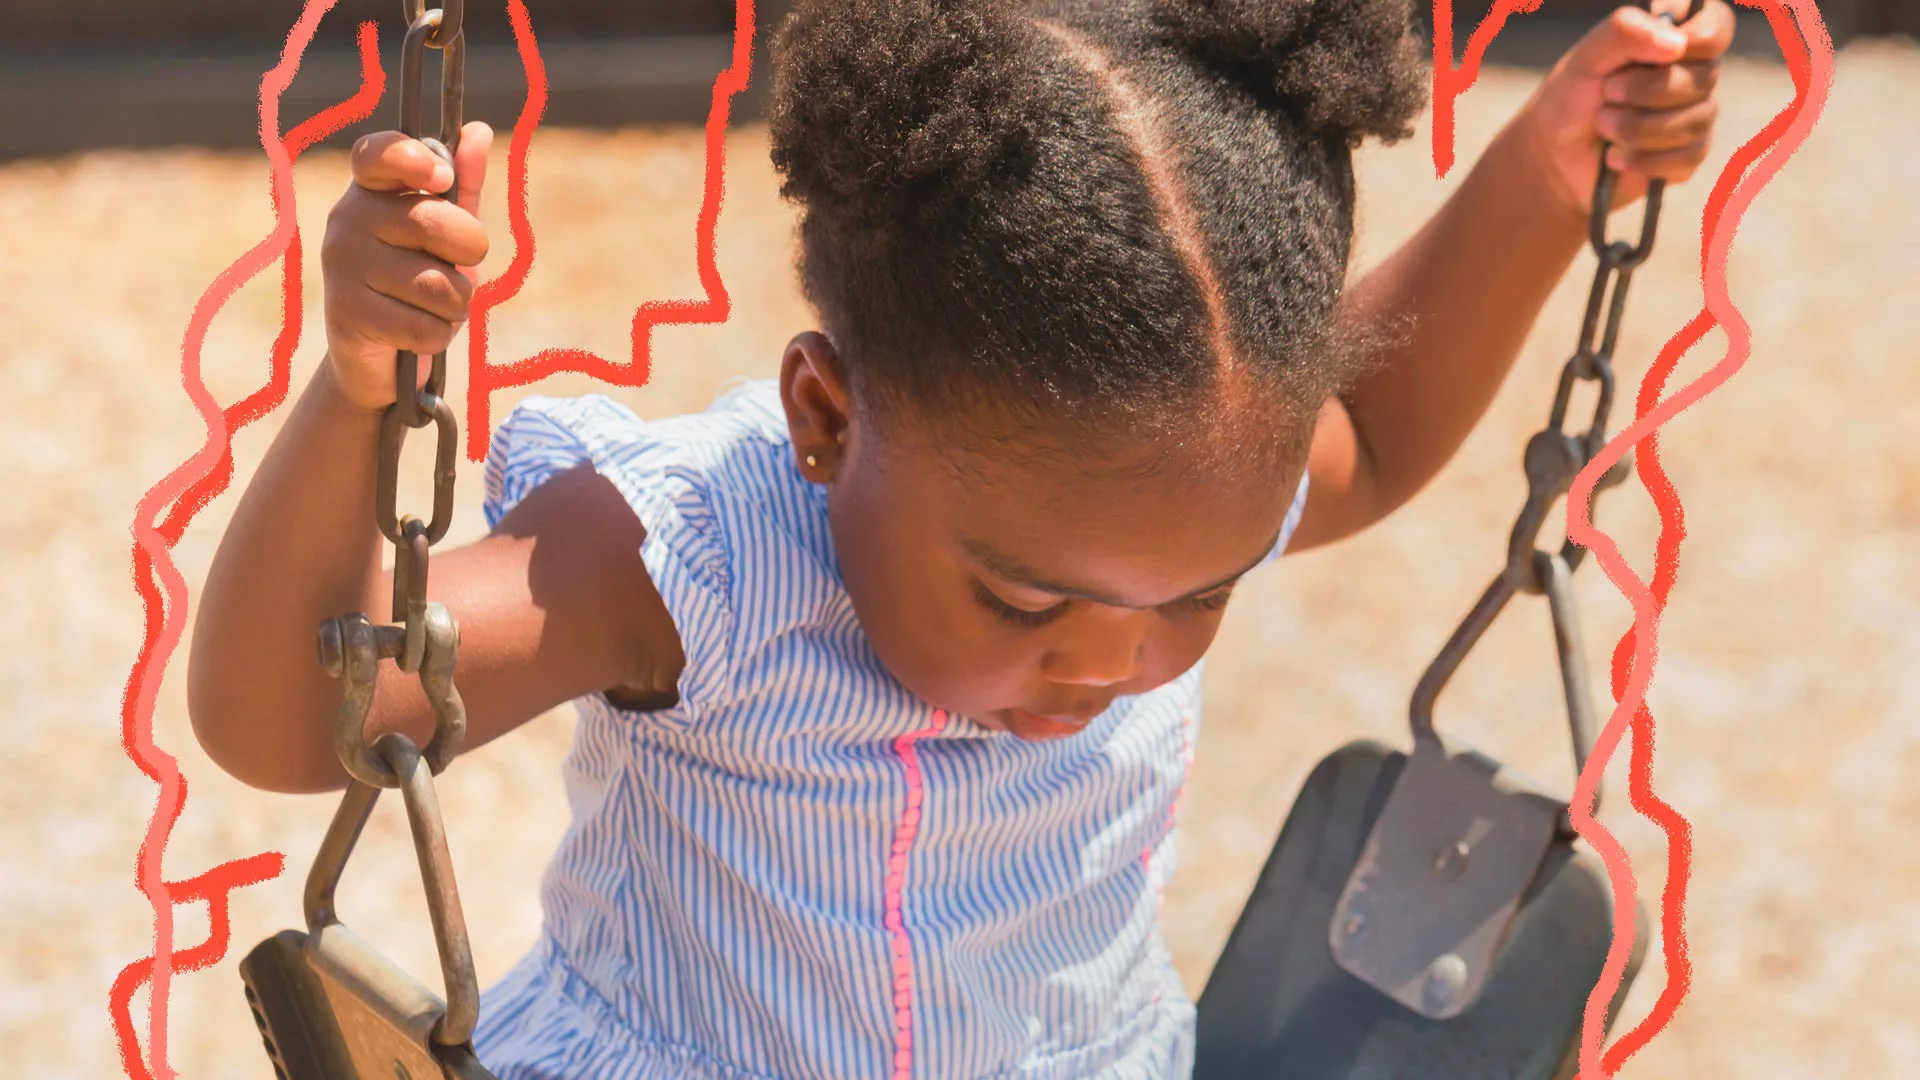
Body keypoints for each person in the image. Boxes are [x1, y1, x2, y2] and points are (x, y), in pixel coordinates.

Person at [188, 0, 1734, 1075]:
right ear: (828, 418)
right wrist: (356, 392)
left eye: (1195, 599)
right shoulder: (692, 563)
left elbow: (1375, 434)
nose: (1112, 664)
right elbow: (286, 719)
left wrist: (1545, 171)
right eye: (1020, 599)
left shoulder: (1155, 508)